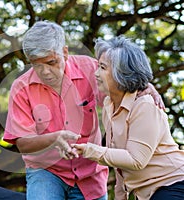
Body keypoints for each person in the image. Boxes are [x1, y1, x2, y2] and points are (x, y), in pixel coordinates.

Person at [3, 21, 163, 200]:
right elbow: (22, 143)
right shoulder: (20, 88)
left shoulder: (91, 69)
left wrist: (146, 87)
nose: (45, 71)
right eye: (36, 65)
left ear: (64, 52)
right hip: (46, 172)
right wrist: (54, 139)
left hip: (90, 172)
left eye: (51, 62)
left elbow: (122, 84)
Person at [71, 36, 184, 200]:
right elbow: (120, 163)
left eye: (103, 68)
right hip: (150, 192)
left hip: (174, 184)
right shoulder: (110, 105)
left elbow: (135, 159)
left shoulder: (144, 106)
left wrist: (89, 149)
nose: (95, 74)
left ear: (121, 73)